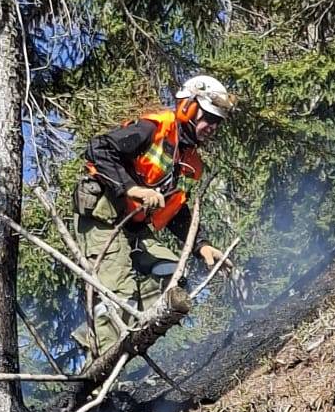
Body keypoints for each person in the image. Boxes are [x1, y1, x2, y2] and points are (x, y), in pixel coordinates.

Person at [73, 75, 235, 359]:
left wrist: (201, 244)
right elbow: (99, 148)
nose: (212, 127)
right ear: (188, 107)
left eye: (217, 122)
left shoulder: (188, 159)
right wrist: (132, 188)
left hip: (135, 228)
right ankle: (95, 368)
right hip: (103, 219)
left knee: (173, 275)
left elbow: (175, 208)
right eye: (208, 117)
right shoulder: (155, 128)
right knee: (117, 294)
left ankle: (115, 333)